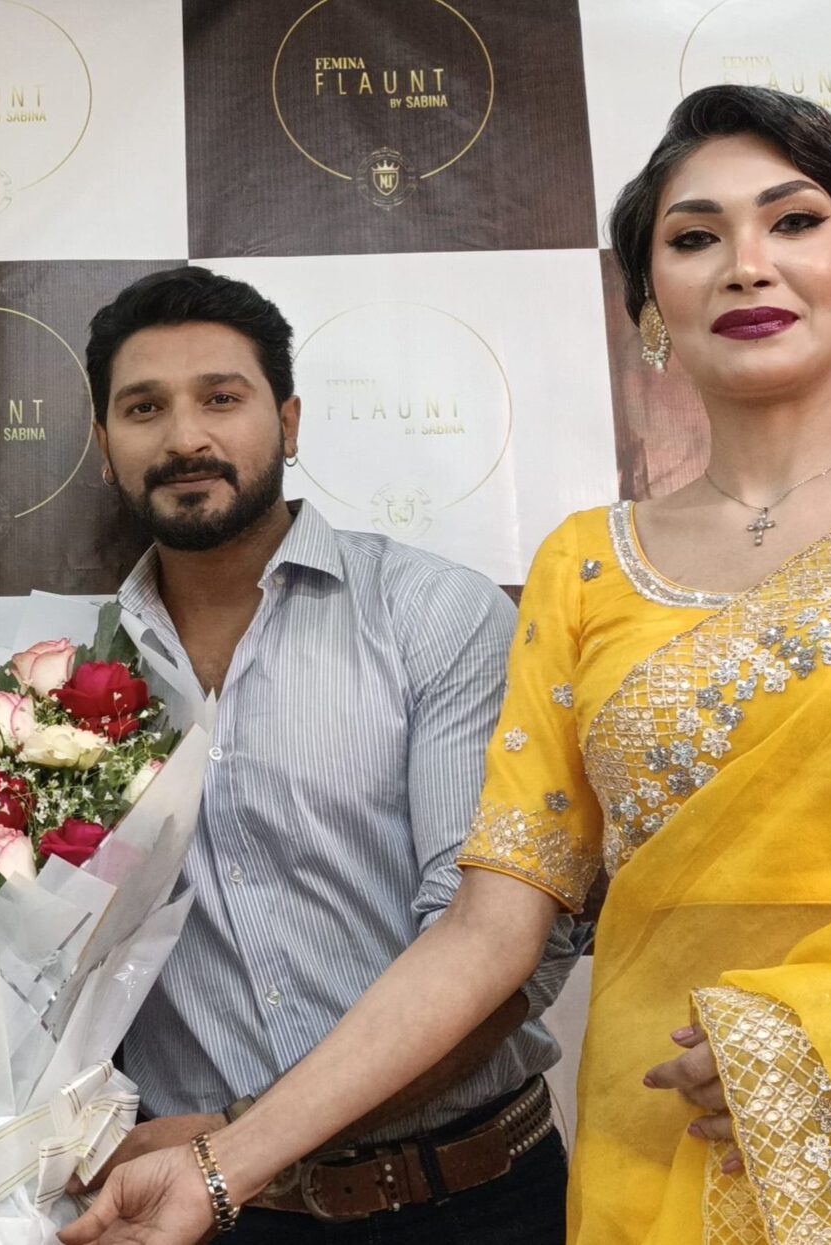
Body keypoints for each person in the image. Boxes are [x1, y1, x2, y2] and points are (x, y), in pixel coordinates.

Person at [62, 85, 831, 1245]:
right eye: (694, 238)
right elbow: (489, 930)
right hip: (669, 1166)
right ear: (649, 304)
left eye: (792, 221)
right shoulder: (588, 568)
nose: (745, 265)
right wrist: (222, 1167)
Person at [69, 266, 581, 1244]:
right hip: (202, 1220)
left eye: (221, 398)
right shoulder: (64, 689)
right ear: (104, 446)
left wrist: (240, 1136)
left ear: (290, 422)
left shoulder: (431, 615)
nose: (183, 438)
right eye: (143, 408)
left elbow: (496, 949)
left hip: (464, 1201)